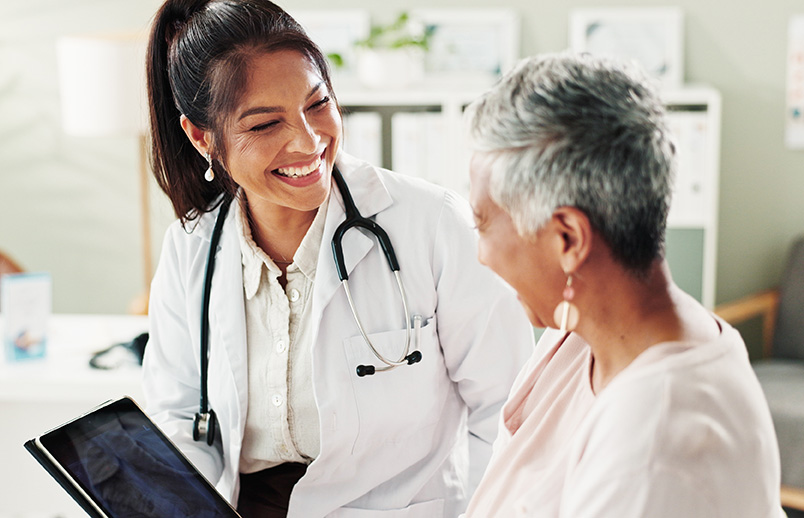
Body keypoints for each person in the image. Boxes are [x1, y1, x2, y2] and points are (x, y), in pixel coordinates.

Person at [141, 1, 534, 517]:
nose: (308, 141)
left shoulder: (434, 225)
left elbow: (511, 411)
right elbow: (177, 416)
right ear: (201, 137)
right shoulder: (191, 246)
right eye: (265, 125)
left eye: (318, 104)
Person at [462, 52, 785, 517]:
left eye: (482, 224)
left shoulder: (655, 450)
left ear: (568, 239)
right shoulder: (580, 329)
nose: (481, 254)